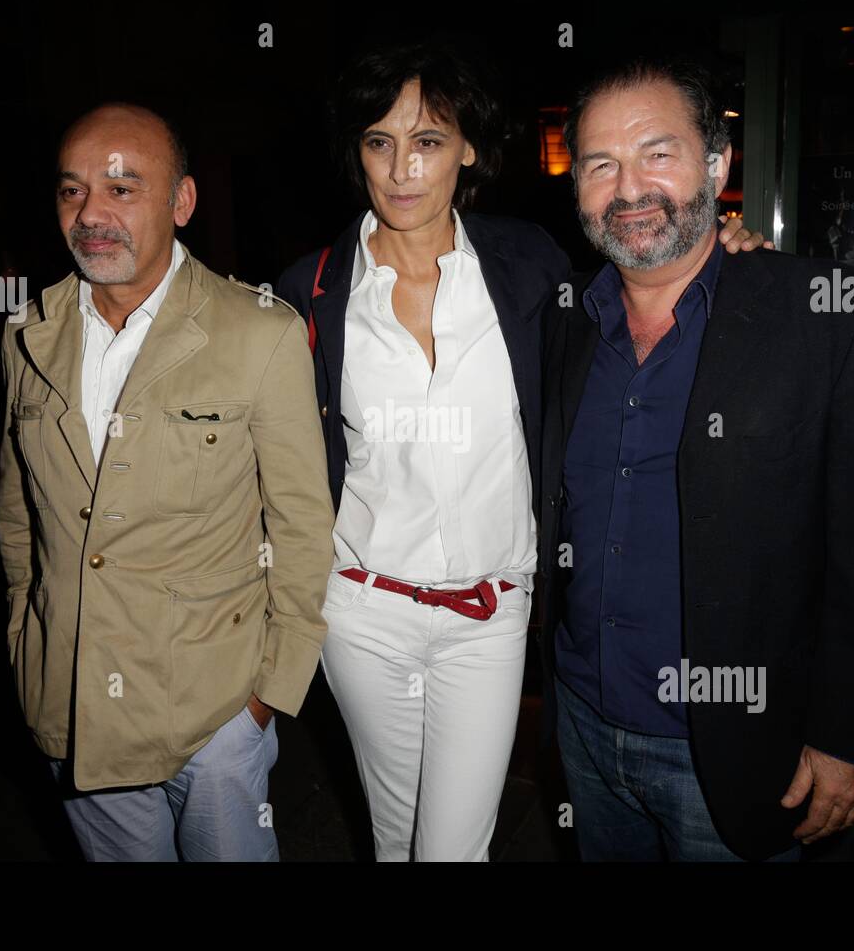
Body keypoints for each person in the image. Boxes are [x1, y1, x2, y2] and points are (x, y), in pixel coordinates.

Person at [276, 43, 765, 861]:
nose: (401, 169)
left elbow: (646, 281)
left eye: (428, 141)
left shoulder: (529, 265)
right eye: (378, 142)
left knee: (453, 848)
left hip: (487, 617)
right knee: (393, 837)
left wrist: (726, 249)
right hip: (362, 614)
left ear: (466, 148)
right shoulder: (311, 289)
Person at [538, 58, 854, 861]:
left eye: (658, 154)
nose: (628, 188)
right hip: (579, 720)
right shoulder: (561, 323)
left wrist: (851, 737)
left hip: (747, 748)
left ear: (716, 165)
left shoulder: (831, 319)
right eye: (601, 164)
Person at [0, 102, 335, 861]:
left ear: (181, 202)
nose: (91, 214)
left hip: (212, 719)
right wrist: (27, 643)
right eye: (72, 190)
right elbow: (18, 516)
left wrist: (264, 701)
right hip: (74, 707)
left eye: (122, 188)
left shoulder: (260, 332)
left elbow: (304, 531)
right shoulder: (26, 334)